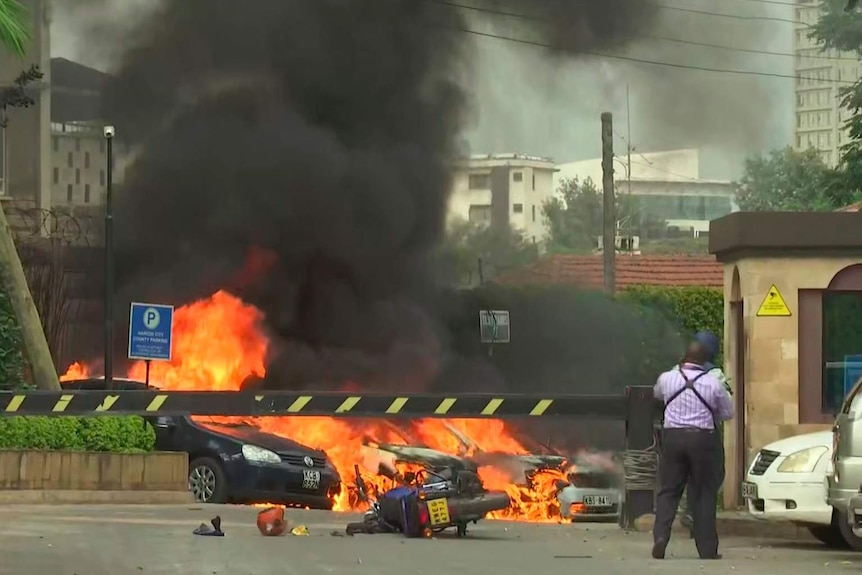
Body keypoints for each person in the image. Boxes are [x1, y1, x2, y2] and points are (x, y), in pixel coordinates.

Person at [652, 337, 734, 560]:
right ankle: (707, 549)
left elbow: (657, 395)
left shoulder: (667, 378)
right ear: (705, 360)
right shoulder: (713, 383)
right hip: (702, 440)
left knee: (668, 490)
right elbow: (727, 413)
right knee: (703, 493)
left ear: (684, 358)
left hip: (672, 438)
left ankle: (660, 537)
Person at [677, 331, 732, 537]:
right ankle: (697, 518)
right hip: (706, 433)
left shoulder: (676, 372)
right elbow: (727, 409)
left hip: (675, 432)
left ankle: (689, 514)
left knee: (687, 477)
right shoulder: (715, 375)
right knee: (712, 477)